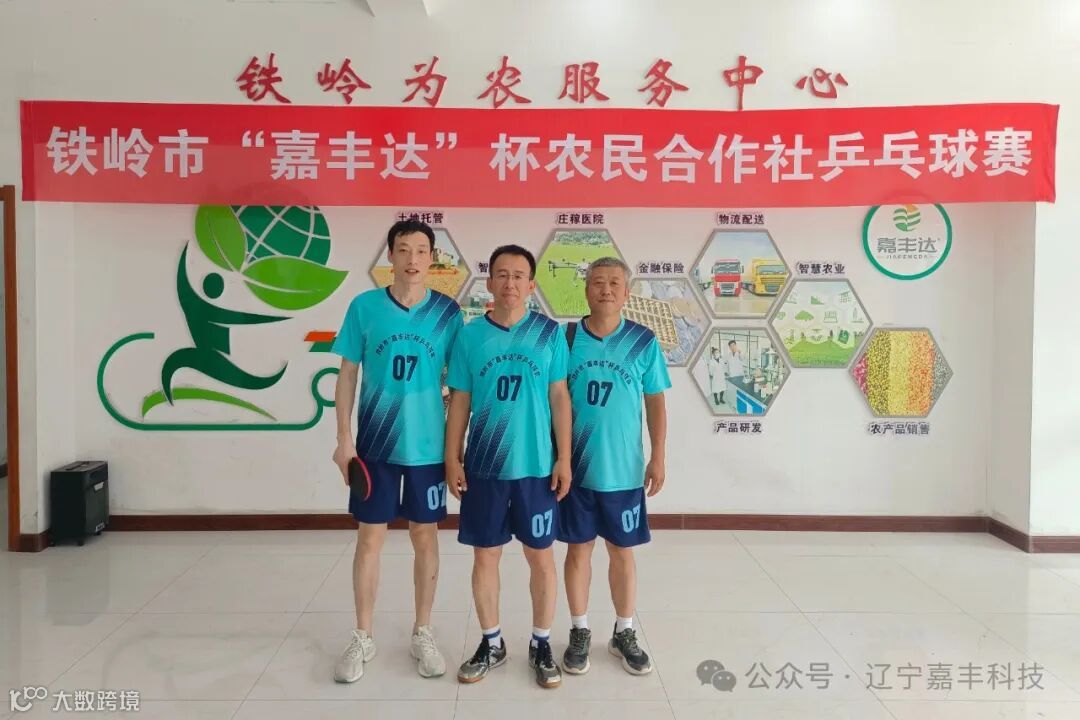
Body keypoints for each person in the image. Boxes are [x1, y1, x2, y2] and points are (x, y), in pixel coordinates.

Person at [330, 220, 463, 683]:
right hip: (375, 446)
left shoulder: (447, 313)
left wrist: (455, 450)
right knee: (370, 538)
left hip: (428, 449)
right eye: (403, 250)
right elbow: (347, 374)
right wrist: (343, 439)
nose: (412, 259)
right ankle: (362, 635)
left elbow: (460, 386)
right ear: (390, 255)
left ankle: (422, 632)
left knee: (425, 536)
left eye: (421, 250)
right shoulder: (365, 308)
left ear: (432, 258)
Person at [445, 245, 573, 689]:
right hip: (484, 466)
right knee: (486, 556)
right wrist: (452, 457)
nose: (510, 283)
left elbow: (559, 397)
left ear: (531, 285)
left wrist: (564, 457)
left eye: (519, 275)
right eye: (502, 274)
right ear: (489, 283)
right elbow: (460, 401)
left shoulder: (549, 334)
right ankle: (492, 642)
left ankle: (541, 643)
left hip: (537, 468)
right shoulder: (470, 336)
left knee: (541, 557)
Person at [557, 257, 671, 677]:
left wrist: (658, 455)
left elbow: (655, 402)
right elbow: (554, 398)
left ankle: (624, 631)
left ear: (626, 292)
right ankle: (579, 630)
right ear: (586, 289)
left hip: (624, 471)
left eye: (614, 284)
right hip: (576, 471)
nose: (606, 290)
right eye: (598, 282)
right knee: (578, 550)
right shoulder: (566, 339)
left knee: (622, 551)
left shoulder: (642, 341)